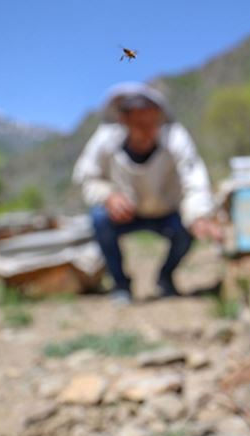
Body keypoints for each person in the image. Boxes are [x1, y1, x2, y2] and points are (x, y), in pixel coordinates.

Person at [73, 82, 221, 304]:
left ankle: (165, 276)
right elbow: (87, 176)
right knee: (99, 219)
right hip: (127, 214)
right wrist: (108, 195)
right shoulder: (105, 139)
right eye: (138, 122)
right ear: (124, 120)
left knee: (187, 227)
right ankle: (121, 284)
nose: (146, 128)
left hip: (167, 213)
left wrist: (199, 213)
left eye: (151, 121)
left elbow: (193, 178)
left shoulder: (176, 138)